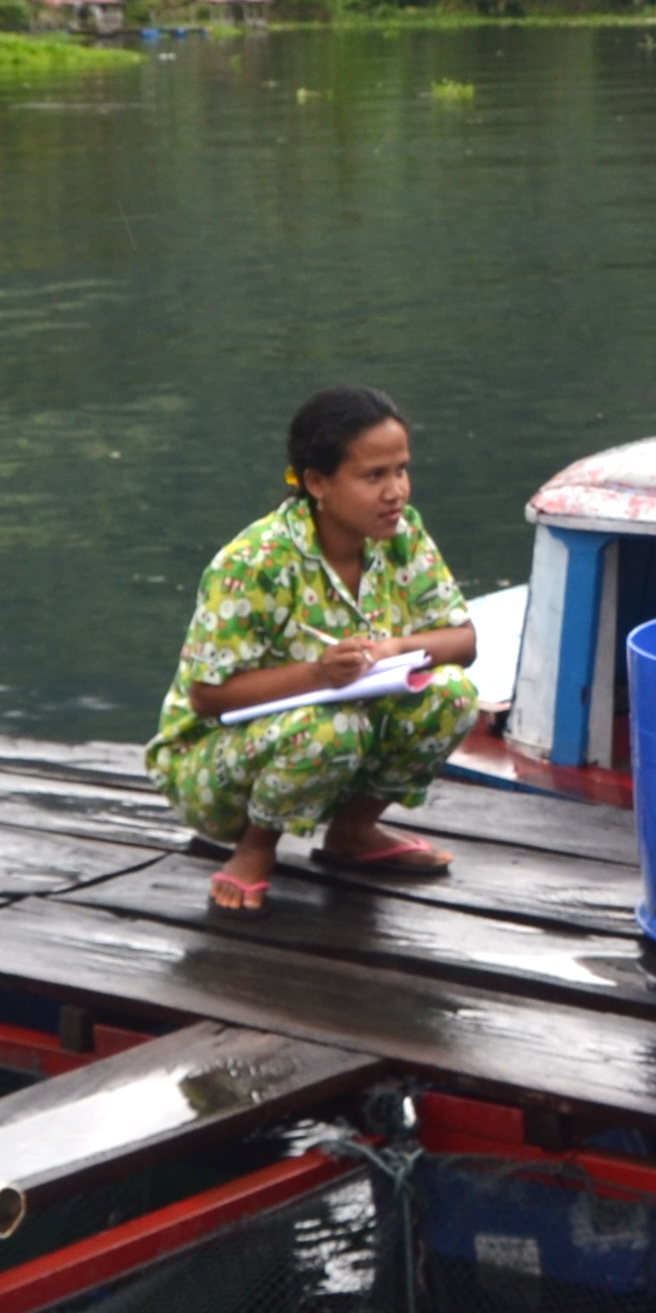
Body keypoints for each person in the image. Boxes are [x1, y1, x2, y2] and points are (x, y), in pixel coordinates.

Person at [154, 385, 486, 915]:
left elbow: (462, 642)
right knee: (331, 726)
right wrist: (320, 675)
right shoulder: (254, 562)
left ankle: (352, 832)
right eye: (373, 476)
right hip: (217, 767)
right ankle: (255, 849)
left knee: (451, 694)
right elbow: (207, 697)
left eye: (401, 469)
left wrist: (398, 646)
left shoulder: (403, 535)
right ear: (317, 483)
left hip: (329, 748)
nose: (395, 491)